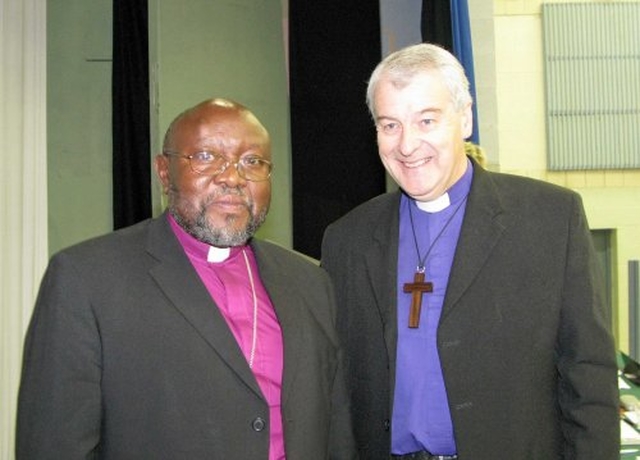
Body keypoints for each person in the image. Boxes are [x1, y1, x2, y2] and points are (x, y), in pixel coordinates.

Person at [321, 43, 619, 459]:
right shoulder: (347, 239)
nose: (407, 145)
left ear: (465, 119)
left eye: (426, 120)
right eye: (390, 125)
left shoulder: (551, 219)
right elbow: (337, 388)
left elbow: (588, 376)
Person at [17, 98, 356, 459]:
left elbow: (336, 433)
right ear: (165, 172)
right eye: (206, 157)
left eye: (252, 162)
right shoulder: (87, 280)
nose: (232, 177)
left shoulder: (310, 282)